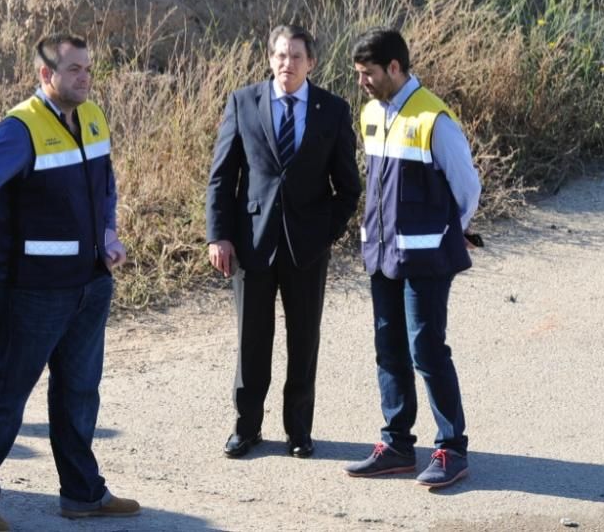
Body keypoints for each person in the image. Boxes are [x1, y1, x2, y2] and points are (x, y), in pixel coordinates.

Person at [0, 34, 138, 531]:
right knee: (8, 394)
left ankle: (82, 494)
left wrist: (108, 231)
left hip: (91, 283)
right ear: (45, 75)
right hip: (32, 292)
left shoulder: (93, 115)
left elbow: (106, 186)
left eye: (88, 69)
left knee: (79, 392)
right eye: (73, 69)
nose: (84, 77)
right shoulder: (21, 128)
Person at [206, 24, 361, 459]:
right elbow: (222, 176)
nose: (285, 64)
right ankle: (246, 428)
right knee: (251, 340)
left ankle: (299, 430)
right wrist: (218, 235)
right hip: (251, 243)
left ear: (311, 62)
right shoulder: (243, 102)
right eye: (278, 55)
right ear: (269, 58)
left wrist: (326, 230)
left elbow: (348, 186)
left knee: (303, 339)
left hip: (307, 247)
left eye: (295, 56)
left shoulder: (332, 110)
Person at [344, 28, 481, 489]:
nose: (363, 81)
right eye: (359, 74)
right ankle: (397, 443)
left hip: (425, 260)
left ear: (396, 69)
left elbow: (467, 188)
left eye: (369, 73)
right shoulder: (370, 114)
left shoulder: (434, 119)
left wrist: (447, 230)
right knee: (389, 348)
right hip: (381, 255)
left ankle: (452, 448)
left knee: (426, 350)